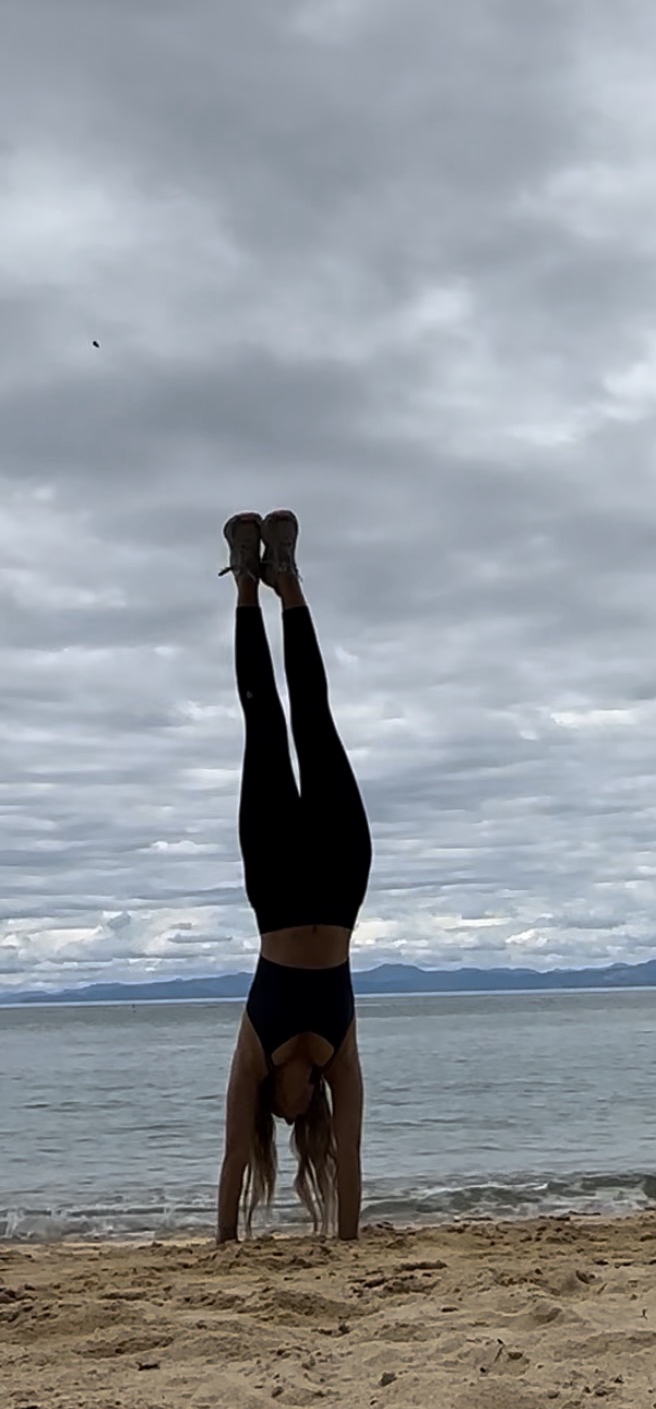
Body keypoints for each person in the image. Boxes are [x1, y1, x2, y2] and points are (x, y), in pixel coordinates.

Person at [215, 511, 372, 1244]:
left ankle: (249, 581)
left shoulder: (252, 1056)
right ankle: (291, 582)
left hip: (275, 890)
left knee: (263, 723)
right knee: (314, 718)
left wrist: (223, 1243)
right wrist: (347, 1239)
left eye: (279, 1110)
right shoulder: (337, 1064)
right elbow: (350, 1156)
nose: (289, 1106)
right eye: (293, 1110)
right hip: (341, 883)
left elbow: (233, 1158)